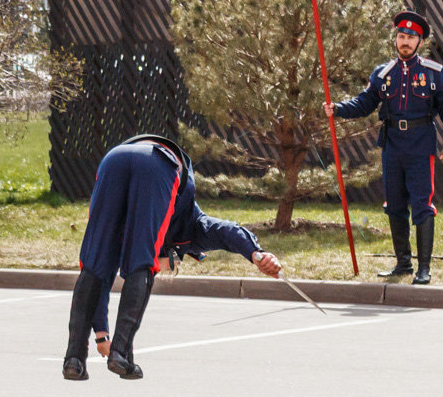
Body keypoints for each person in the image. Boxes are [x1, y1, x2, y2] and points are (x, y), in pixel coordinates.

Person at [63, 134, 281, 382]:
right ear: (173, 251)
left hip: (115, 157)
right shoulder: (192, 225)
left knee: (94, 261)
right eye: (172, 265)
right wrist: (256, 252)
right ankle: (121, 354)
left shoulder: (123, 236)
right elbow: (225, 231)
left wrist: (102, 334)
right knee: (141, 262)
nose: (167, 268)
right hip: (159, 162)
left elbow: (97, 277)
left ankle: (74, 359)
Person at [324, 11, 443, 285]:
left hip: (421, 146)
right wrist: (337, 109)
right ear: (396, 39)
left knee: (422, 204)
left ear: (419, 42)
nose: (405, 41)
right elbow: (364, 103)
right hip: (393, 147)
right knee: (394, 204)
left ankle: (424, 269)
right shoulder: (383, 74)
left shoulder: (434, 73)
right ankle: (403, 264)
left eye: (410, 37)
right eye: (401, 36)